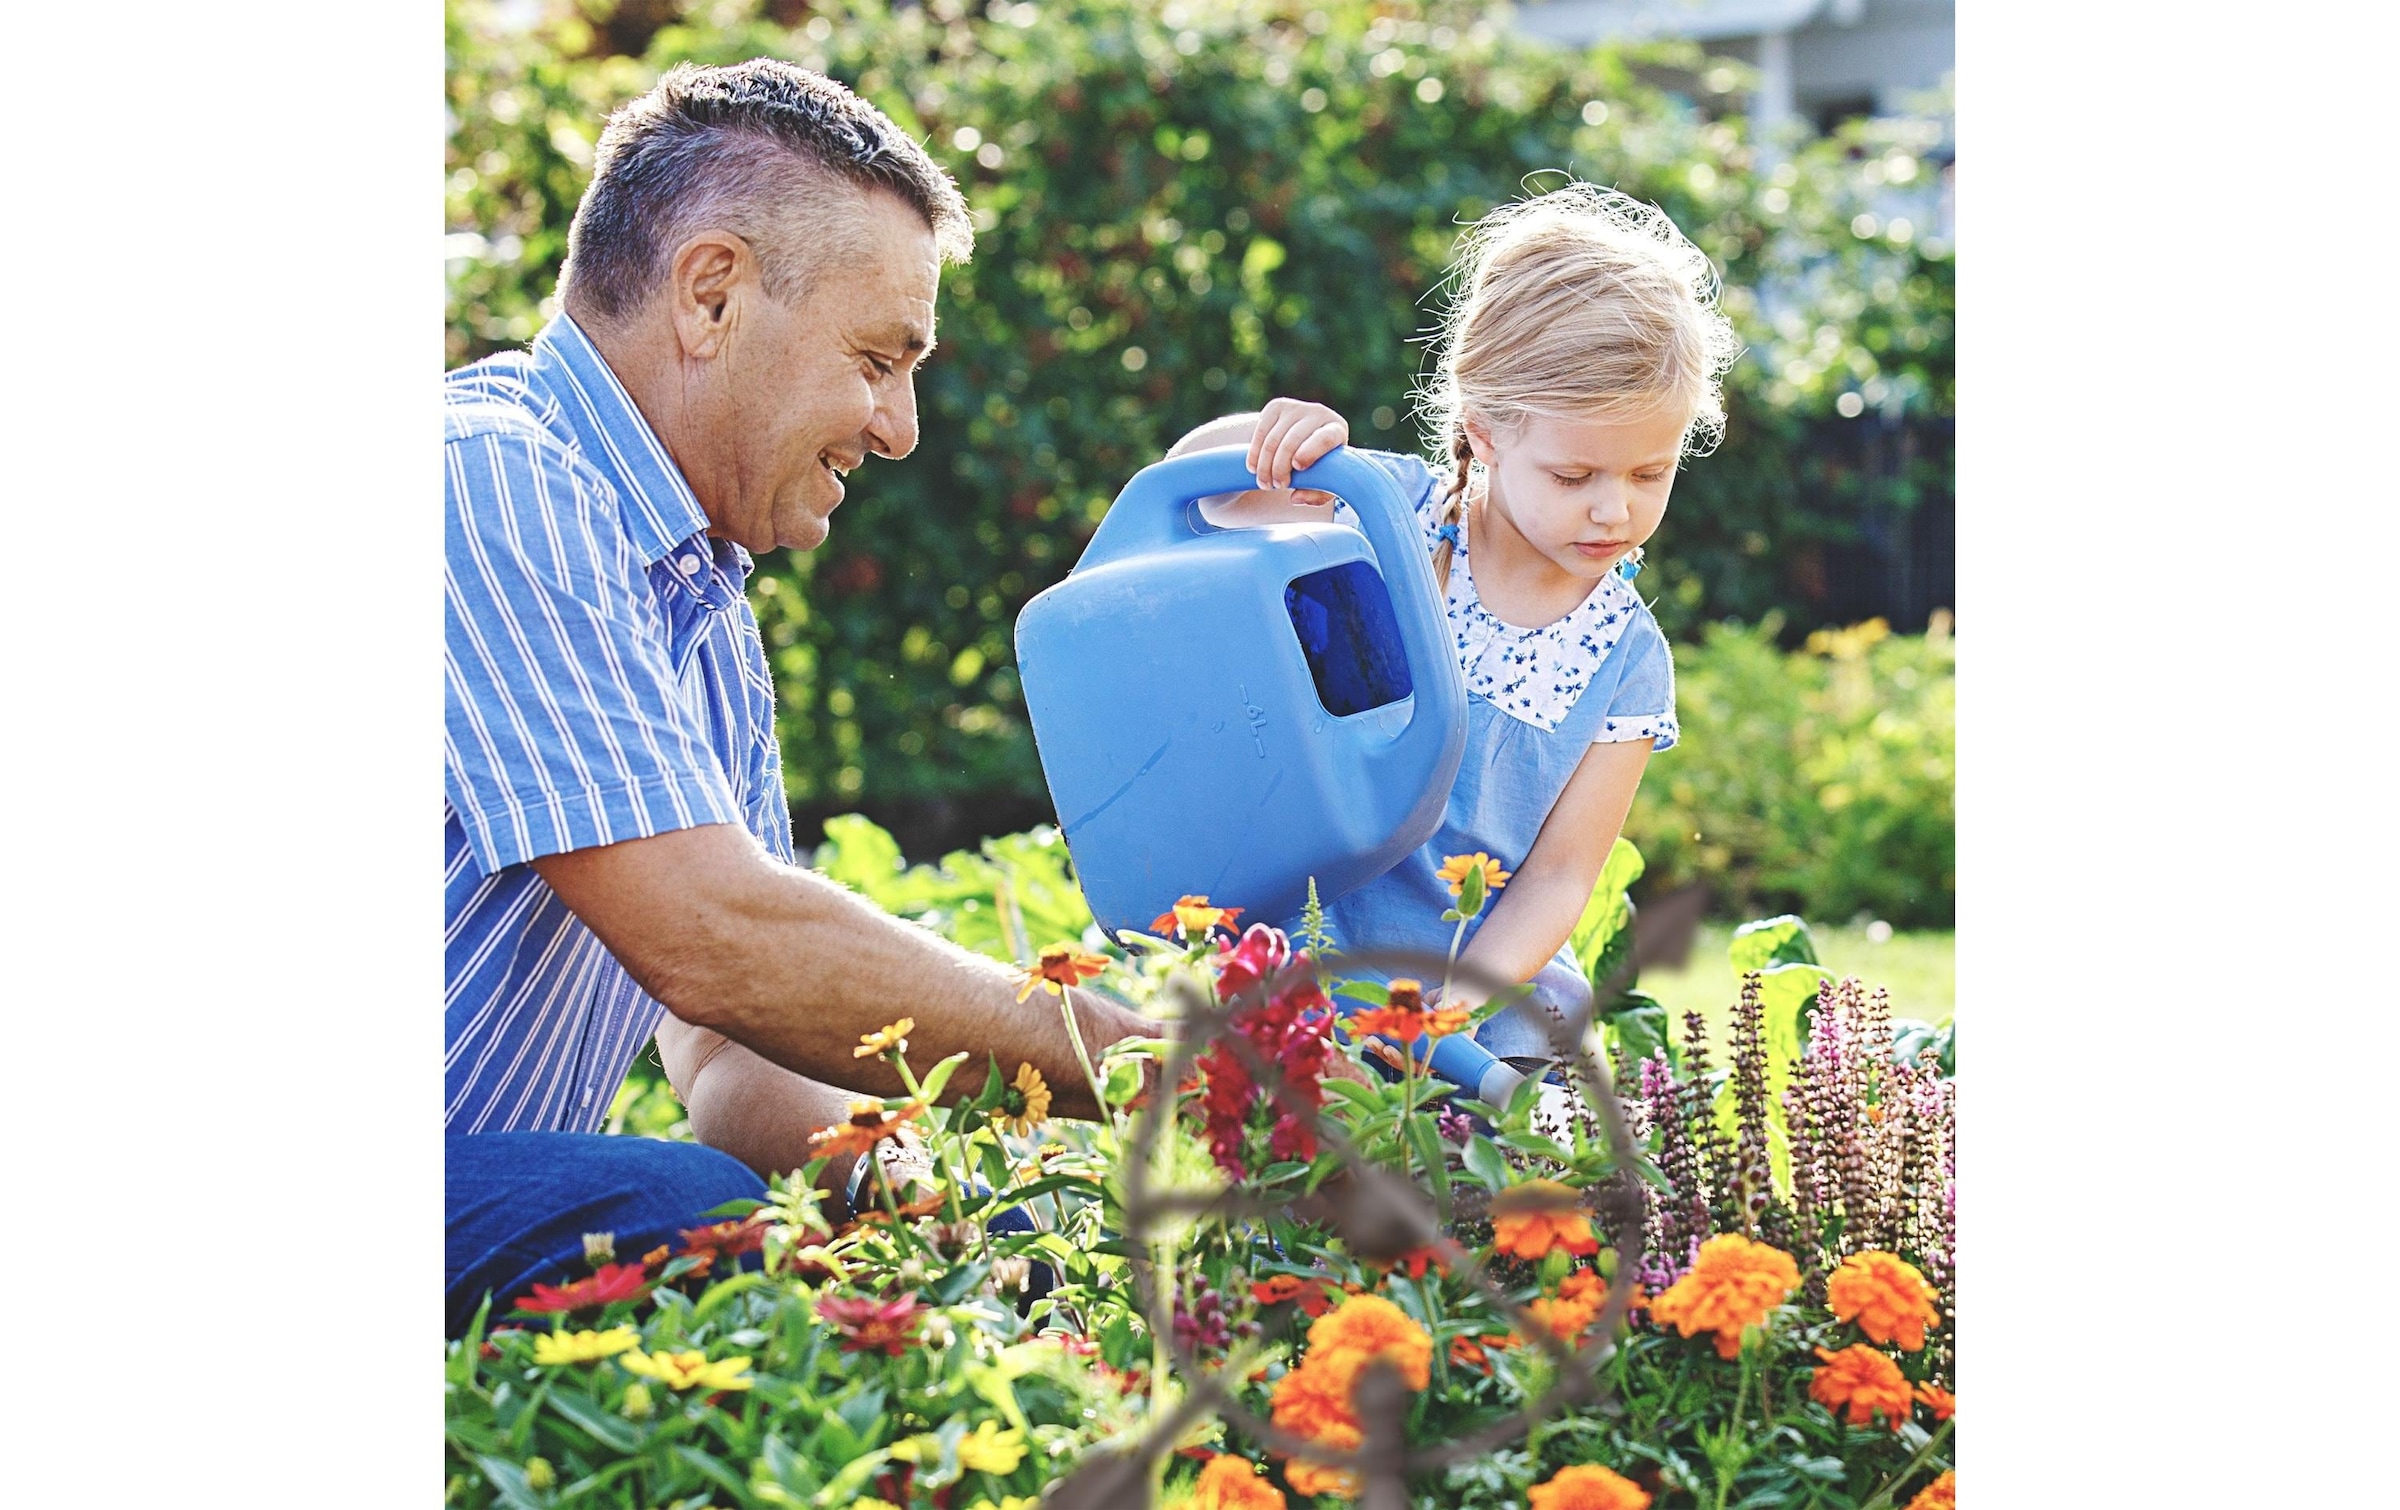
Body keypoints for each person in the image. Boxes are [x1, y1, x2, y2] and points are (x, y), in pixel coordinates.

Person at [443, 59, 1151, 1337]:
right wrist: (1130, 1054)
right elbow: (713, 940)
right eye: (879, 358)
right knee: (681, 1209)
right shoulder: (492, 483)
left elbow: (728, 1047)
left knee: (754, 1214)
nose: (901, 428)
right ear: (712, 295)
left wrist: (927, 1205)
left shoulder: (697, 606)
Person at [1165, 182, 1741, 1110]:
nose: (1615, 507)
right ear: (1483, 431)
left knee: (1476, 1217)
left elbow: (1559, 876)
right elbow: (1199, 497)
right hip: (1297, 960)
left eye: (1650, 472)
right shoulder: (1385, 512)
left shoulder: (1626, 661)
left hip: (1469, 1012)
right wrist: (1268, 440)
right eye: (1574, 473)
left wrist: (1455, 1008)